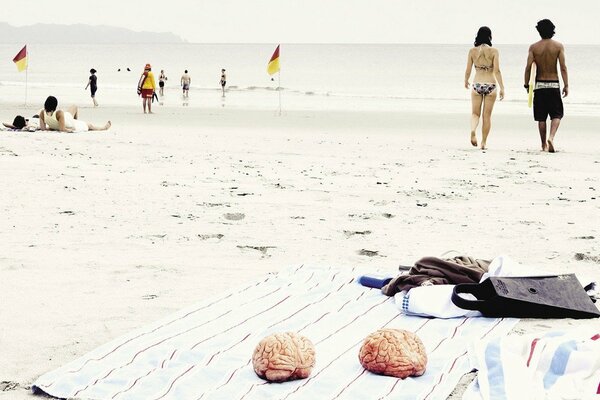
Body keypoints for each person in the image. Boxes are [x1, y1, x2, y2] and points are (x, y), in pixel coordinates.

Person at [524, 19, 568, 153]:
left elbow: (528, 68)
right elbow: (563, 67)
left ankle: (543, 144)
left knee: (541, 117)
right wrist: (566, 85)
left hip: (539, 85)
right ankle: (551, 137)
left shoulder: (534, 47)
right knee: (557, 114)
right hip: (554, 84)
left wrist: (527, 85)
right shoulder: (558, 46)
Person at [464, 27, 505, 150]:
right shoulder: (494, 51)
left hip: (477, 84)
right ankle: (483, 143)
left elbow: (468, 70)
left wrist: (466, 80)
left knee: (475, 113)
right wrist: (502, 87)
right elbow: (497, 71)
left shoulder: (472, 51)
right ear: (490, 36)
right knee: (486, 116)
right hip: (490, 85)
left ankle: (472, 131)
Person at [38, 96, 111, 132]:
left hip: (66, 118)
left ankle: (76, 121)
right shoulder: (58, 113)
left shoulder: (42, 113)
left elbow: (43, 129)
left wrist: (52, 127)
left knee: (74, 107)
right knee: (89, 126)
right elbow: (62, 129)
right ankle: (104, 128)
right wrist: (70, 130)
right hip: (68, 122)